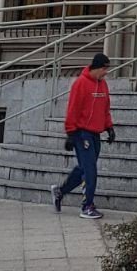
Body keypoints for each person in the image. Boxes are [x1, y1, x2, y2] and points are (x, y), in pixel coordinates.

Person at [51, 52, 115, 220]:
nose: (106, 73)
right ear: (97, 68)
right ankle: (87, 206)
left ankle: (60, 192)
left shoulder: (103, 85)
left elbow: (105, 108)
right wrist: (71, 133)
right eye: (104, 69)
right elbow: (73, 109)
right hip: (82, 133)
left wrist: (109, 127)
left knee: (84, 169)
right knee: (90, 170)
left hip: (95, 133)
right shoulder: (80, 84)